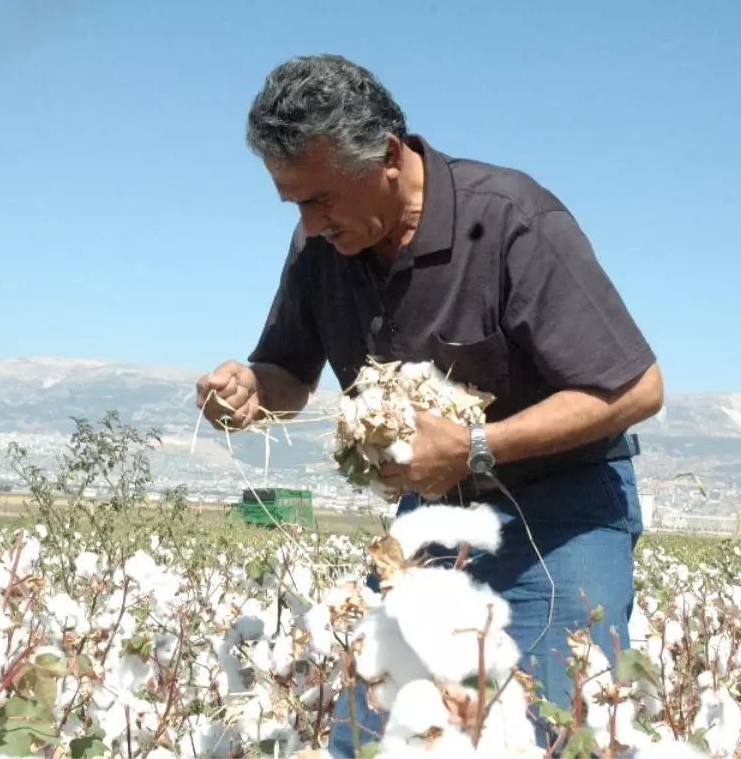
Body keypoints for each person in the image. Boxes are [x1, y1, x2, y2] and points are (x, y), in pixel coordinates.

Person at [195, 54, 664, 756]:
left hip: (564, 506)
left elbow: (634, 387)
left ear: (386, 155)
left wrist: (476, 448)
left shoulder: (510, 219)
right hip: (436, 511)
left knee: (561, 725)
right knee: (375, 728)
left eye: (320, 198)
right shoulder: (319, 249)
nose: (309, 220)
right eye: (294, 202)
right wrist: (250, 392)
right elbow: (289, 375)